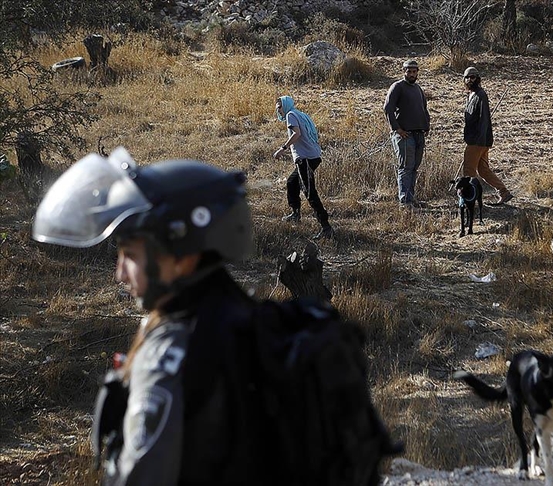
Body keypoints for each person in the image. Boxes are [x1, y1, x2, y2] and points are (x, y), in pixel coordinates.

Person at [32, 147, 260, 484]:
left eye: (131, 254)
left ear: (184, 257)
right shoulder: (257, 326)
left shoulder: (167, 359)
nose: (120, 273)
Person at [273, 95, 334, 240]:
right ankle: (295, 214)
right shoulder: (300, 113)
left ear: (286, 105)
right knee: (292, 182)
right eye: (277, 108)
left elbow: (296, 133)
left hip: (305, 159)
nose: (278, 110)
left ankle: (326, 227)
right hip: (312, 156)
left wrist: (283, 148)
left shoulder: (291, 115)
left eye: (280, 107)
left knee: (309, 192)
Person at [461, 66, 513, 206]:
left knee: (469, 170)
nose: (470, 80)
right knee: (483, 170)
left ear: (478, 79)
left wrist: (479, 140)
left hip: (477, 141)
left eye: (473, 77)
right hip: (479, 140)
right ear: (464, 80)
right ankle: (504, 192)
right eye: (467, 77)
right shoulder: (471, 95)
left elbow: (484, 120)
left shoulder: (480, 95)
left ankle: (469, 199)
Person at [383, 59, 430, 207]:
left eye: (414, 71)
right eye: (408, 71)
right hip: (404, 134)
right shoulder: (397, 87)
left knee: (414, 168)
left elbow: (424, 108)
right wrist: (397, 129)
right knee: (405, 167)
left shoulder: (418, 88)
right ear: (404, 71)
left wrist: (426, 126)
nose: (411, 74)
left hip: (418, 133)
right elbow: (388, 109)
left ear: (417, 73)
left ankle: (411, 198)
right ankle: (404, 201)